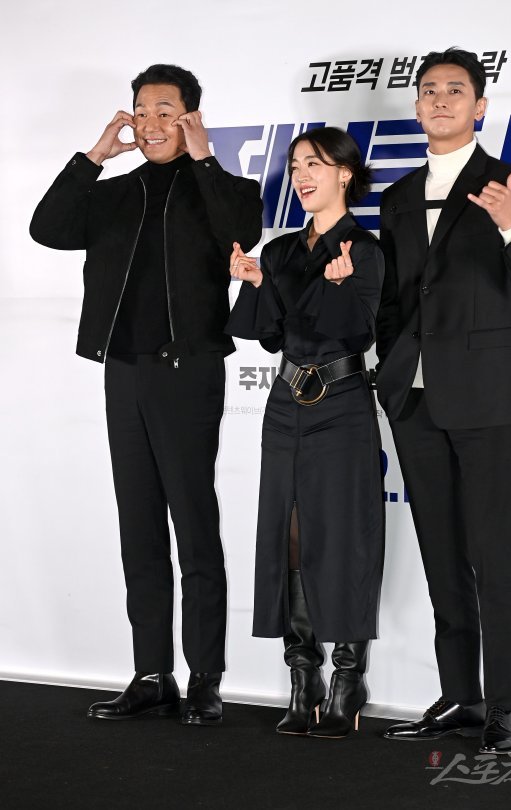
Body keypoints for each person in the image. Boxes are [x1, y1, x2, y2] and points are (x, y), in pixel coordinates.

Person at [30, 64, 263, 724]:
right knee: (138, 528)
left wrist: (204, 159)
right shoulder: (112, 194)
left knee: (194, 524)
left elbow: (238, 232)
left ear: (191, 117)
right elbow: (46, 227)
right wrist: (95, 155)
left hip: (188, 371)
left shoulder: (226, 189)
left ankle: (206, 678)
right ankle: (152, 674)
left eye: (166, 110)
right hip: (124, 372)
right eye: (141, 111)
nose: (152, 122)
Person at [376, 48, 511, 754]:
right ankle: (460, 694)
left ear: (479, 106)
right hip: (415, 397)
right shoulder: (397, 196)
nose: (440, 100)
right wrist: (391, 368)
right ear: (417, 106)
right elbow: (394, 298)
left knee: (491, 554)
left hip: (485, 396)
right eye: (429, 91)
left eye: (455, 90)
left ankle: (503, 706)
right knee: (441, 552)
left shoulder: (508, 183)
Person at [226, 127, 384, 738]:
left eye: (314, 164)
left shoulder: (364, 250)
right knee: (288, 536)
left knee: (344, 535)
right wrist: (255, 282)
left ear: (345, 172)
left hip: (343, 402)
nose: (301, 175)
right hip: (285, 402)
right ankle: (302, 677)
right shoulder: (281, 251)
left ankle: (347, 680)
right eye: (295, 166)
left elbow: (359, 332)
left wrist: (340, 288)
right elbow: (268, 334)